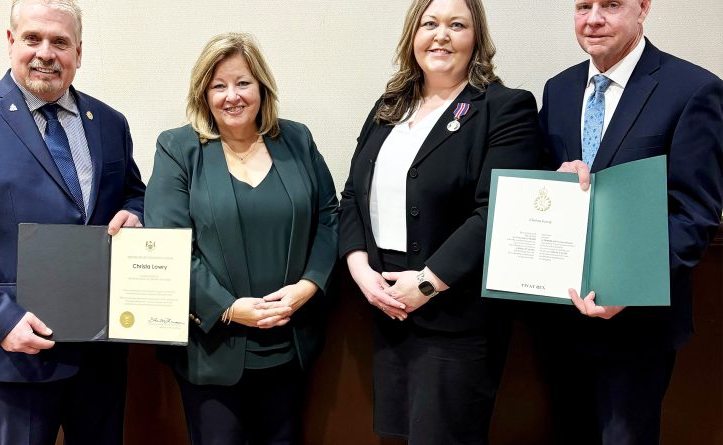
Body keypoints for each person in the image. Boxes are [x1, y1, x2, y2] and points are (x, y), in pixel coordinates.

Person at [0, 0, 146, 444]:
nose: (46, 53)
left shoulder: (108, 122)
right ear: (11, 43)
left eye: (60, 42)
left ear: (78, 53)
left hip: (100, 351)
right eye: (33, 38)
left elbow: (133, 193)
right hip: (16, 351)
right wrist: (1, 321)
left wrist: (137, 214)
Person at [338, 0, 542, 443]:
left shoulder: (503, 108)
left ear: (477, 38)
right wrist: (360, 271)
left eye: (457, 25)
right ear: (413, 34)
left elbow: (499, 212)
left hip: (456, 319)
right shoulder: (390, 106)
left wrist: (428, 284)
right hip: (389, 312)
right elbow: (353, 193)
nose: (441, 35)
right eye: (430, 23)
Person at [537, 1, 723, 443]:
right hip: (562, 322)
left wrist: (628, 286)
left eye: (612, 4)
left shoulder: (694, 89)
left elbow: (695, 215)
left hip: (638, 329)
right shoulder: (559, 89)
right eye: (584, 6)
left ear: (643, 9)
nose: (594, 18)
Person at [144, 32, 338, 445]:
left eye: (243, 83)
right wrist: (230, 308)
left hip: (290, 341)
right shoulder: (179, 149)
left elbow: (329, 218)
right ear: (204, 94)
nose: (232, 96)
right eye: (219, 86)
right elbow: (168, 243)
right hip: (213, 348)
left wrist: (307, 287)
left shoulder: (297, 140)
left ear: (262, 88)